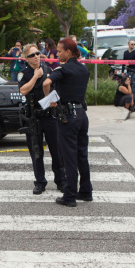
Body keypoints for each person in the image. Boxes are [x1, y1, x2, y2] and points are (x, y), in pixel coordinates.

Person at [43, 37, 92, 208]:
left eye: (60, 51)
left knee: (69, 157)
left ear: (69, 52)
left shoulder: (63, 69)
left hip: (67, 117)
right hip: (81, 114)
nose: (57, 54)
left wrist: (49, 98)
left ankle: (70, 195)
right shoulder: (83, 69)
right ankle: (86, 191)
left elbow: (46, 82)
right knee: (81, 154)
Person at [18, 44, 66, 195]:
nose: (36, 56)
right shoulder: (24, 74)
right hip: (34, 118)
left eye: (38, 53)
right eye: (32, 55)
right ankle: (40, 182)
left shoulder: (48, 70)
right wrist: (35, 76)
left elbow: (56, 88)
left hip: (49, 116)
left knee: (56, 150)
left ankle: (61, 180)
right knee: (36, 151)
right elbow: (23, 90)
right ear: (26, 58)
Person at [122, 39, 135, 106]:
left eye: (134, 44)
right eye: (132, 44)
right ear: (128, 45)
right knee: (127, 84)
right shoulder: (125, 53)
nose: (133, 45)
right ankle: (128, 99)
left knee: (134, 85)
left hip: (134, 70)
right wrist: (122, 71)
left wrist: (130, 63)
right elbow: (123, 62)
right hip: (128, 70)